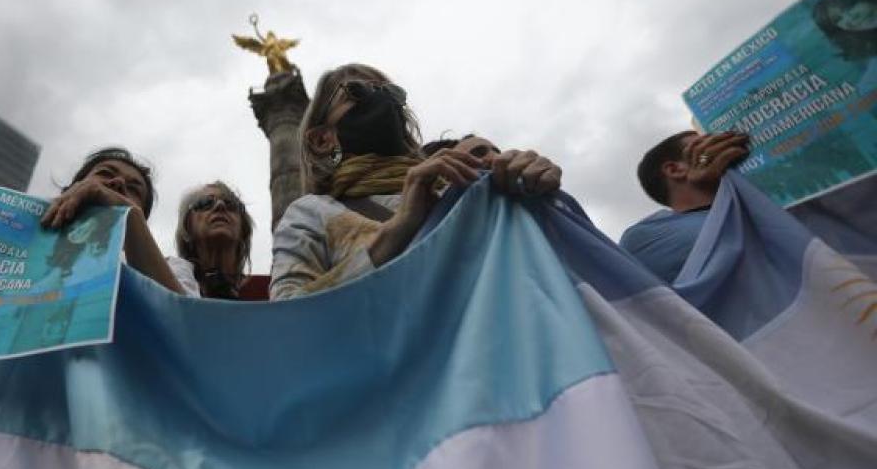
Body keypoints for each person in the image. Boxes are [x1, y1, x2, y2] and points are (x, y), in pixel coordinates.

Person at [270, 63, 562, 300]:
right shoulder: (311, 212)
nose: (381, 98)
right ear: (322, 140)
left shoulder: (459, 187)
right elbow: (285, 316)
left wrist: (537, 198)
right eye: (357, 91)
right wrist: (396, 232)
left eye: (392, 93)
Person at [40, 147, 185, 294]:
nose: (118, 182)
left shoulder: (170, 270)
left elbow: (179, 314)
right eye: (105, 173)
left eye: (133, 189)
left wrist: (131, 216)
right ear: (73, 187)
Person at [619, 130, 750, 283]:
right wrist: (704, 159)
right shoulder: (645, 237)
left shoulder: (749, 208)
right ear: (675, 170)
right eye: (703, 146)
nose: (720, 147)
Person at [170, 182, 255, 299]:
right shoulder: (164, 280)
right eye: (205, 203)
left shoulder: (270, 295)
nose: (220, 205)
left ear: (243, 230)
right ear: (187, 228)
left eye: (231, 204)